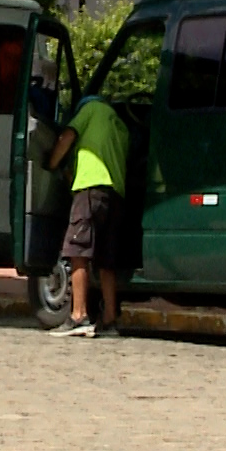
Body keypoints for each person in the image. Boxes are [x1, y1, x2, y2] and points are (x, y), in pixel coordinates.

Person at [44, 95, 130, 339]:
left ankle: (78, 316)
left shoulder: (91, 110)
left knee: (77, 252)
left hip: (90, 191)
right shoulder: (120, 126)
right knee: (106, 261)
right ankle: (111, 320)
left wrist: (51, 164)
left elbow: (67, 136)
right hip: (115, 197)